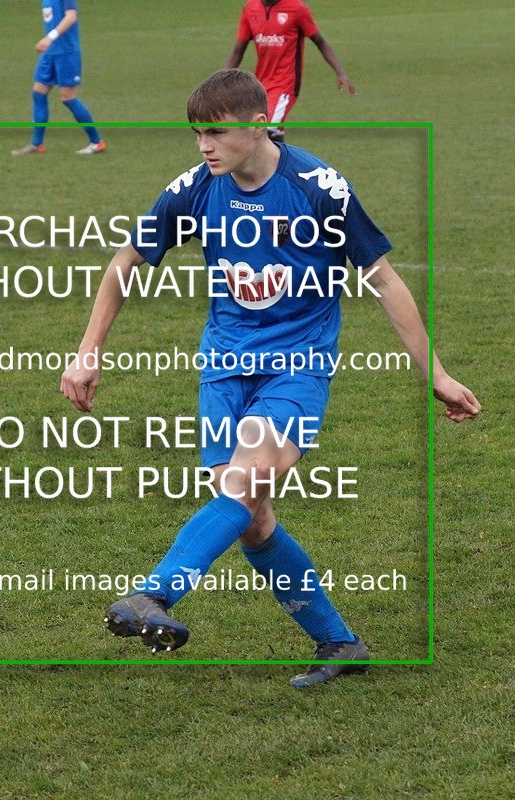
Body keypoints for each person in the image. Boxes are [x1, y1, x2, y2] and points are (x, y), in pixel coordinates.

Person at [60, 70, 480, 687]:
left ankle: (154, 595)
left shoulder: (318, 189)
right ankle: (339, 643)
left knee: (250, 477)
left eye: (217, 132)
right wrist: (87, 351)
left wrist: (436, 374)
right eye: (197, 133)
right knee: (251, 517)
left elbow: (385, 280)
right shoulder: (197, 189)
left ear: (257, 125)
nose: (204, 146)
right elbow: (128, 261)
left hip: (297, 362)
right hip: (224, 368)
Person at [225, 0, 355, 142]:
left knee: (264, 129)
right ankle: (283, 161)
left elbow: (320, 42)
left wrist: (340, 72)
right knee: (271, 134)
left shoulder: (297, 8)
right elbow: (237, 51)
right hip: (260, 85)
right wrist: (220, 81)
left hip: (286, 85)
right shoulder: (250, 8)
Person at [12, 0, 105, 156]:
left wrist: (49, 38)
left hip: (67, 52)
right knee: (38, 93)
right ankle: (37, 144)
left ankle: (97, 142)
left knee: (68, 98)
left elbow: (71, 17)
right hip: (50, 53)